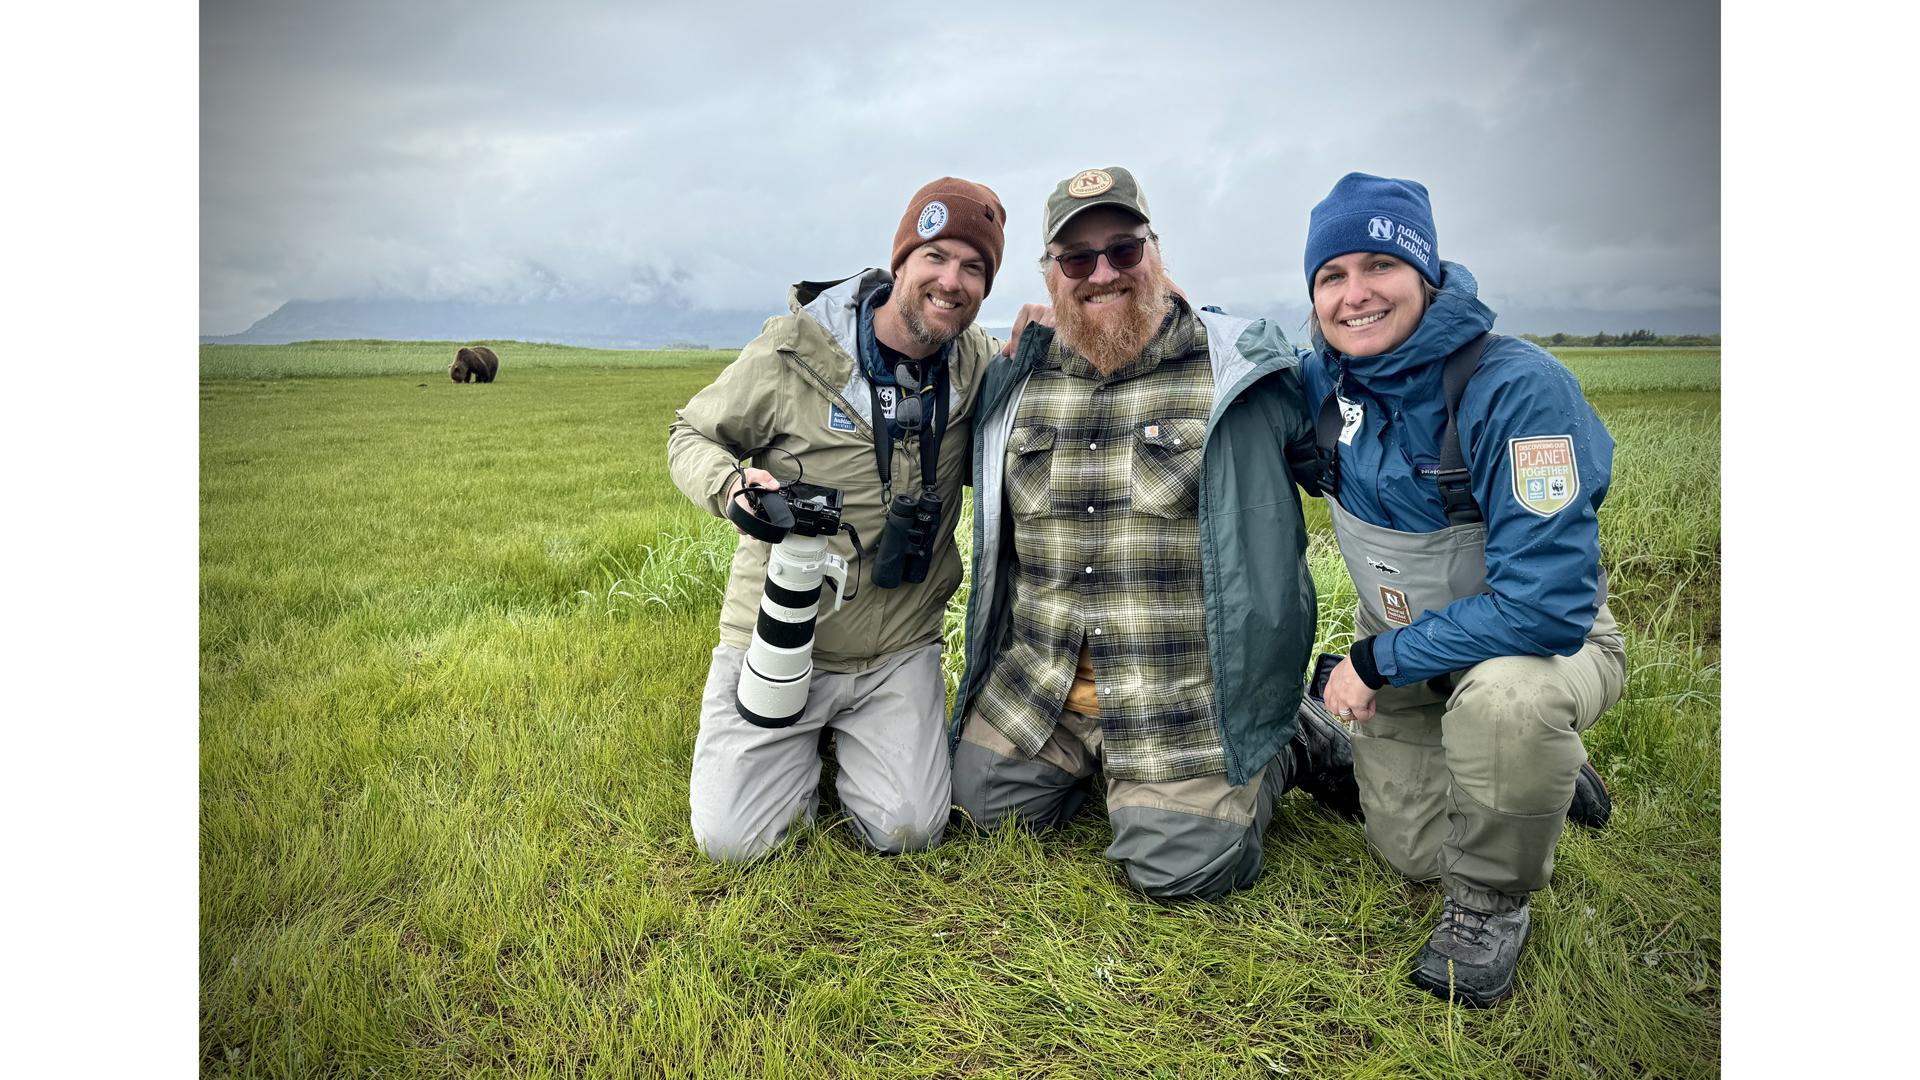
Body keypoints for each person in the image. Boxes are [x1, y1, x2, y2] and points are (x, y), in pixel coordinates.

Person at [947, 166, 1360, 901]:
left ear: (1155, 252)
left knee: (1181, 873)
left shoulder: (1241, 372)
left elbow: (1357, 448)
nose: (1102, 273)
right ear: (1051, 276)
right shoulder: (1015, 380)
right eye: (1077, 260)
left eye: (1123, 251)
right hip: (1042, 688)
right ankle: (1110, 777)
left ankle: (1293, 736)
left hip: (1179, 699)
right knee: (976, 812)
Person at [1295, 173, 1624, 1007]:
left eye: (1379, 267)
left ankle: (1488, 906)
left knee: (1507, 707)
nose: (1355, 293)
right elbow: (1215, 342)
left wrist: (1373, 663)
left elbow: (1543, 608)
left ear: (1426, 275)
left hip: (1542, 649)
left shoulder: (1515, 388)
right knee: (1409, 849)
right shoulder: (1325, 386)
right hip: (1408, 658)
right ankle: (1526, 777)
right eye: (1331, 275)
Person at [667, 177, 1008, 863]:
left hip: (897, 649)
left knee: (909, 831)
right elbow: (688, 435)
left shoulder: (976, 366)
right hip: (782, 635)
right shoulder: (794, 351)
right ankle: (793, 741)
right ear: (901, 262)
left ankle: (845, 739)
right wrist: (733, 486)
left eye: (975, 268)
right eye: (936, 257)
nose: (952, 281)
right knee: (734, 843)